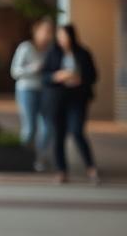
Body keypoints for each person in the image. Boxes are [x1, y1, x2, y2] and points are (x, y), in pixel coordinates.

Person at [42, 23, 99, 184]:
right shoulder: (53, 53)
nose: (62, 39)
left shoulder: (83, 53)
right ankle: (62, 171)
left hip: (78, 98)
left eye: (65, 35)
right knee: (58, 134)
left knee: (77, 131)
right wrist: (56, 76)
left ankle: (91, 167)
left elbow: (94, 76)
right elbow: (44, 76)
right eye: (59, 36)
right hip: (57, 98)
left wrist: (80, 79)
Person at [10, 17, 54, 169]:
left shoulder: (51, 50)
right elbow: (14, 71)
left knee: (48, 126)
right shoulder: (26, 47)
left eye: (50, 31)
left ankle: (39, 158)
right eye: (45, 30)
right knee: (30, 127)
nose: (47, 34)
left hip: (45, 91)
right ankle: (22, 158)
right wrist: (32, 69)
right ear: (36, 30)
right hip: (27, 89)